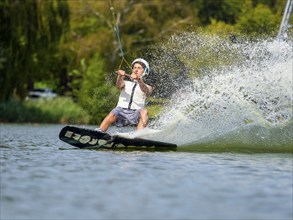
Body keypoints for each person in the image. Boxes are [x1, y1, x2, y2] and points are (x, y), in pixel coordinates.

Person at [98, 58, 153, 132]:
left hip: (136, 112)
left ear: (145, 71)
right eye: (134, 68)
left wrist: (139, 80)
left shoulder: (148, 87)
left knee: (144, 111)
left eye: (139, 68)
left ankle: (139, 135)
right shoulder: (125, 83)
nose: (136, 70)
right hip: (121, 111)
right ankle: (99, 131)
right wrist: (120, 76)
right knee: (113, 113)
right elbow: (119, 85)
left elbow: (146, 91)